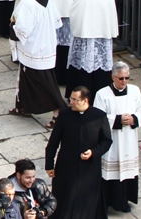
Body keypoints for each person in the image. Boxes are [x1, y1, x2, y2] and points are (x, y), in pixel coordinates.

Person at [44, 86, 111, 219]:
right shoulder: (64, 115)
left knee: (86, 200)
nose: (71, 102)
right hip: (66, 165)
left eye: (75, 100)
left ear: (85, 101)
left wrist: (93, 152)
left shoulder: (99, 116)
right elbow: (53, 142)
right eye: (71, 99)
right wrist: (49, 165)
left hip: (89, 168)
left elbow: (106, 141)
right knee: (63, 197)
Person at [10, 0, 66, 120]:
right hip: (46, 42)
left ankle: (59, 111)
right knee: (25, 76)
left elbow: (23, 29)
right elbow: (55, 20)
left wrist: (12, 27)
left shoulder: (28, 3)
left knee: (42, 82)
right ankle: (22, 106)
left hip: (34, 48)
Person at [93, 62, 141, 213]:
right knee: (112, 172)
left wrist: (134, 118)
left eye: (127, 78)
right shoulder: (102, 94)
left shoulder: (135, 91)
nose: (124, 81)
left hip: (129, 139)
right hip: (112, 141)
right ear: (113, 77)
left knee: (127, 171)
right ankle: (108, 201)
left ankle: (123, 201)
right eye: (121, 78)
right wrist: (117, 120)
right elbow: (98, 117)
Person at [37, 0, 87, 86]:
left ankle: (52, 76)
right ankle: (66, 76)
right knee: (68, 48)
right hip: (69, 17)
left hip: (51, 17)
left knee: (52, 46)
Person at [67, 0, 119, 97]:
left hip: (84, 35)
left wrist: (82, 27)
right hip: (102, 35)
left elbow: (73, 14)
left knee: (82, 66)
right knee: (100, 67)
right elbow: (112, 15)